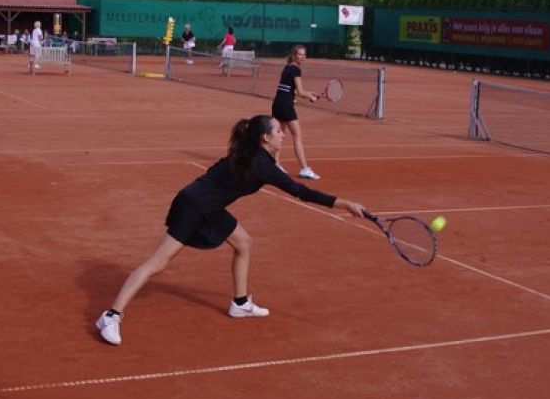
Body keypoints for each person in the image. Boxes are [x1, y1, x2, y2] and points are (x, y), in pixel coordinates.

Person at [94, 115, 367, 346]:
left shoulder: (250, 153)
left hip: (206, 205)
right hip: (194, 207)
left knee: (244, 243)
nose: (283, 134)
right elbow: (301, 191)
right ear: (265, 138)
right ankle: (110, 316)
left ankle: (240, 303)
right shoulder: (261, 164)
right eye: (278, 131)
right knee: (158, 263)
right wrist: (344, 203)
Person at [272, 44, 320, 180]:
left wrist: (310, 93)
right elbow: (300, 92)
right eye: (300, 54)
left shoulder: (287, 68)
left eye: (304, 55)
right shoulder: (296, 69)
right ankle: (304, 169)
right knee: (297, 136)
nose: (302, 57)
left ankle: (276, 165)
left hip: (277, 104)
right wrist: (310, 96)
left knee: (279, 136)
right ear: (294, 55)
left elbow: (291, 90)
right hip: (286, 106)